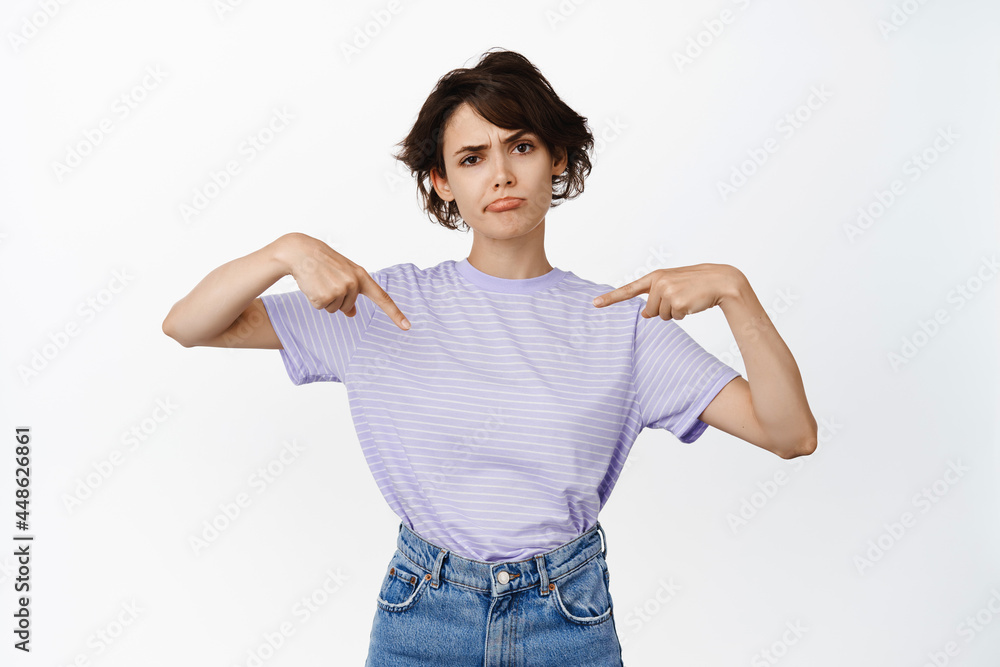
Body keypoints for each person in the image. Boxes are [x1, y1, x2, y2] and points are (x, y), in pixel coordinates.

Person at [162, 47, 817, 666]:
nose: (501, 173)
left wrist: (737, 293)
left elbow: (790, 434)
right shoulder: (386, 307)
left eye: (521, 147)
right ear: (441, 181)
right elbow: (188, 325)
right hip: (423, 614)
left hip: (566, 616)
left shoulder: (623, 324)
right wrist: (285, 250)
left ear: (556, 159)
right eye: (472, 157)